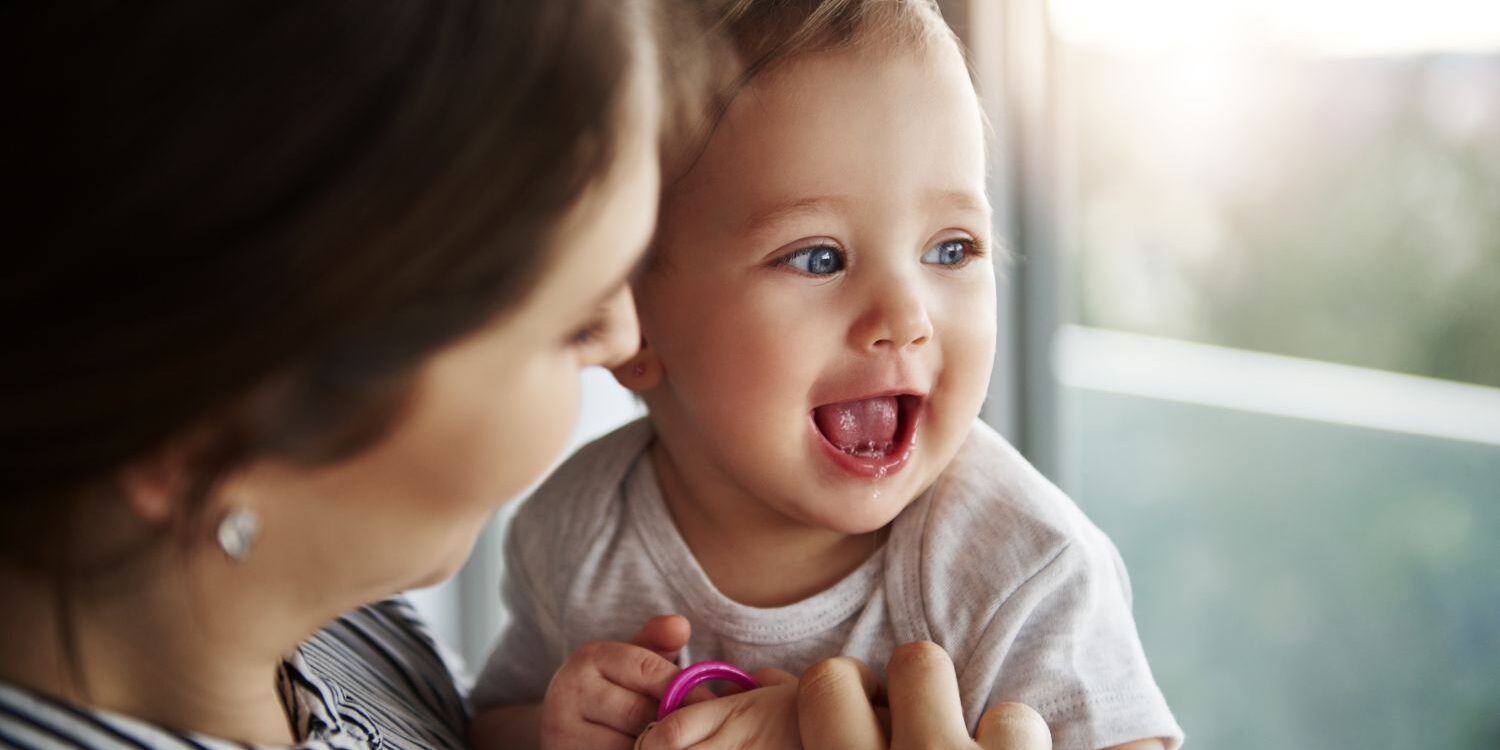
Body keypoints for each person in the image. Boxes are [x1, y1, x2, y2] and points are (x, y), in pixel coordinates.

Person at [0, 2, 1047, 749]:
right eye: (571, 319)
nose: (620, 347)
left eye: (954, 248)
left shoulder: (334, 624)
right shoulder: (569, 536)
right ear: (223, 422)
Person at [470, 1, 1184, 749]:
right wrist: (555, 728)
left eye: (951, 250)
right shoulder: (577, 532)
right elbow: (483, 726)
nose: (905, 316)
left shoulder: (1024, 568)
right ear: (631, 316)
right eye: (818, 257)